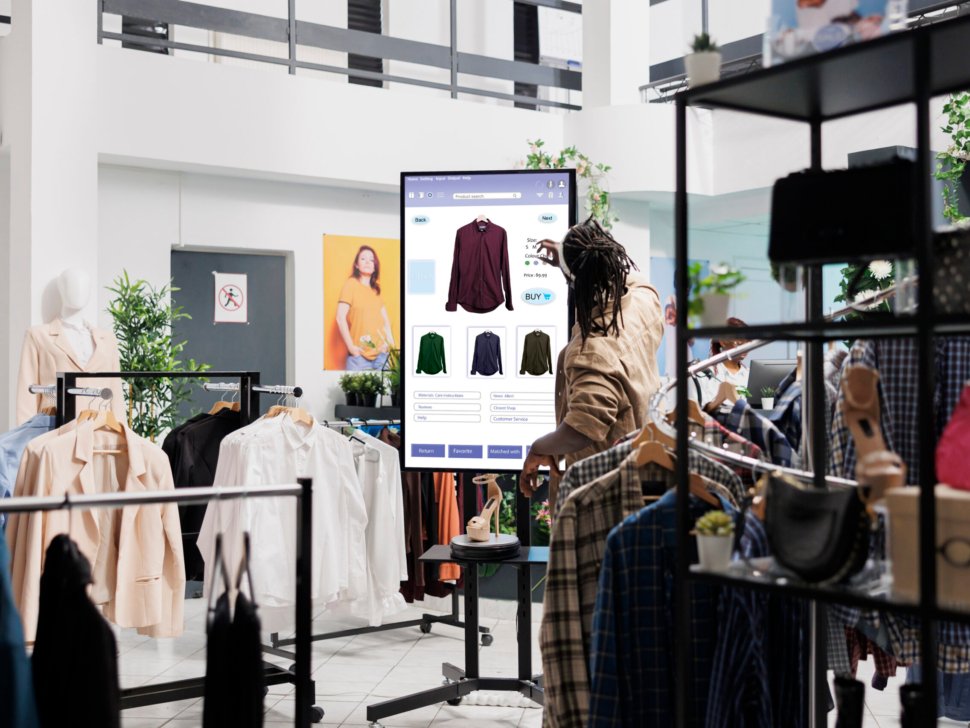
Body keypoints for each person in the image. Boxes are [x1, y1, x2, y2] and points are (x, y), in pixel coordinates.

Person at [518, 218, 663, 503]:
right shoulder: (644, 301)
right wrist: (567, 259)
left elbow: (582, 429)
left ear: (576, 284)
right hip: (640, 472)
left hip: (601, 494)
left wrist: (537, 449)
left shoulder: (594, 350)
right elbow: (633, 278)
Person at [336, 245, 396, 371]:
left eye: (371, 259)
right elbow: (340, 317)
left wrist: (390, 347)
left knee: (387, 391)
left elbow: (386, 323)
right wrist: (352, 349)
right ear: (357, 265)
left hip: (381, 356)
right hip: (359, 359)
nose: (368, 262)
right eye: (363, 259)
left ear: (375, 266)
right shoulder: (350, 285)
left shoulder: (376, 291)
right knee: (356, 391)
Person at [698, 317, 750, 403]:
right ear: (722, 341)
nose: (746, 349)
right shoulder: (706, 373)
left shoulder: (748, 374)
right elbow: (702, 410)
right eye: (740, 344)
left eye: (748, 344)